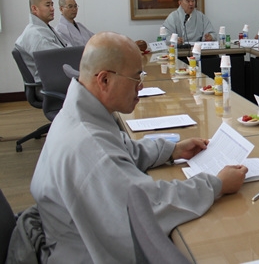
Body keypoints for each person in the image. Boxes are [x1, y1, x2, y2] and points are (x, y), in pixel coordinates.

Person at [30, 32, 247, 263]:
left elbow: (122, 150)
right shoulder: (89, 143)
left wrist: (172, 150)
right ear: (104, 80)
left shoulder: (81, 112)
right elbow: (148, 207)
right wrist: (217, 184)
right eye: (136, 78)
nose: (141, 86)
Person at [14, 0, 66, 82]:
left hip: (55, 77)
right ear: (34, 8)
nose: (52, 9)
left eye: (52, 5)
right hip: (49, 82)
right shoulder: (35, 34)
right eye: (47, 5)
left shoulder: (44, 28)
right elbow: (58, 58)